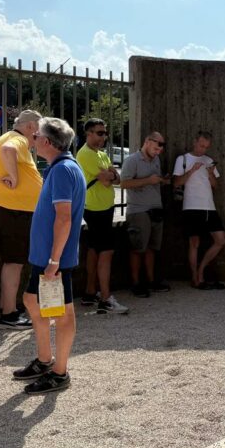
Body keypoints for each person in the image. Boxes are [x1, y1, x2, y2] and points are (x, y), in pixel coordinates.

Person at [11, 118, 86, 394]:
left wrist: (54, 260)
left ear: (47, 142)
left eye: (37, 135)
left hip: (54, 258)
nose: (33, 139)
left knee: (63, 313)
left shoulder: (63, 170)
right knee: (31, 300)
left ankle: (59, 371)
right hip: (47, 256)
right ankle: (45, 360)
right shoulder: (60, 168)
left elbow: (64, 218)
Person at [0, 109, 42, 330]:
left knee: (13, 261)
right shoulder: (15, 140)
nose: (39, 138)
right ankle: (8, 314)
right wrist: (15, 178)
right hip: (13, 209)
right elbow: (8, 151)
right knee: (14, 262)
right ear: (30, 127)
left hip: (12, 209)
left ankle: (5, 308)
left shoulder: (9, 138)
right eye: (38, 132)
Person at [76, 119, 128, 314]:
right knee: (106, 251)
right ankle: (106, 299)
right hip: (96, 209)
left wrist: (111, 175)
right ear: (88, 134)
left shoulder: (101, 154)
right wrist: (111, 175)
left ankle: (91, 292)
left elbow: (117, 179)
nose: (103, 137)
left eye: (104, 133)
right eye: (99, 133)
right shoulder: (86, 154)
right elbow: (108, 180)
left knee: (95, 249)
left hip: (102, 208)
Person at [119, 132, 172, 298]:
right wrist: (149, 180)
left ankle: (150, 281)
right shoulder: (132, 160)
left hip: (156, 209)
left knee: (152, 248)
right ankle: (135, 283)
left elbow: (155, 180)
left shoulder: (156, 160)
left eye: (159, 150)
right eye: (156, 148)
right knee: (137, 248)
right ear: (147, 142)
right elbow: (124, 183)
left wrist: (163, 180)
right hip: (139, 211)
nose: (157, 152)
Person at [174, 131, 225, 289]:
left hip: (209, 206)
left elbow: (215, 186)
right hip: (191, 206)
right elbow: (176, 182)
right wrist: (192, 171)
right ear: (195, 142)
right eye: (201, 145)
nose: (203, 149)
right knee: (194, 243)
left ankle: (201, 271)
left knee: (221, 240)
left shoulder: (208, 160)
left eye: (206, 147)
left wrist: (210, 174)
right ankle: (195, 278)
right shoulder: (182, 159)